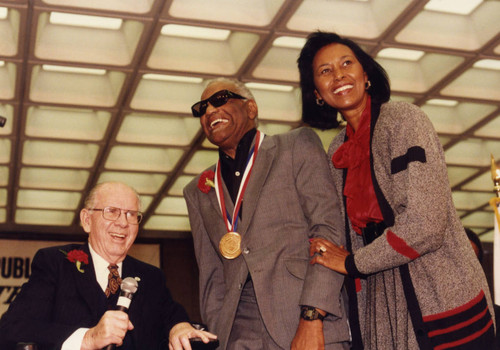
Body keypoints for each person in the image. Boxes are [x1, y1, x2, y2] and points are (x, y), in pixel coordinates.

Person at [297, 31, 495, 350]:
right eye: (325, 71)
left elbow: (426, 225)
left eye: (347, 63)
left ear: (366, 75)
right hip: (383, 303)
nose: (339, 75)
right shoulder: (336, 151)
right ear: (317, 93)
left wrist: (352, 262)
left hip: (442, 292)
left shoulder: (404, 120)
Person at [183, 78, 350, 349]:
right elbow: (211, 275)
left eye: (220, 99)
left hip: (304, 318)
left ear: (251, 109)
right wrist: (221, 334)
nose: (210, 111)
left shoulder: (296, 145)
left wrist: (313, 314)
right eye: (202, 108)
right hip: (239, 334)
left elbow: (328, 231)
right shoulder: (198, 189)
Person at [0, 181, 217, 350]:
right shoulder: (55, 263)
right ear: (87, 220)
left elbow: (172, 315)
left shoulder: (151, 277)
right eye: (111, 211)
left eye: (131, 214)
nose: (123, 222)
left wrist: (179, 327)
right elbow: (11, 330)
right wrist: (88, 338)